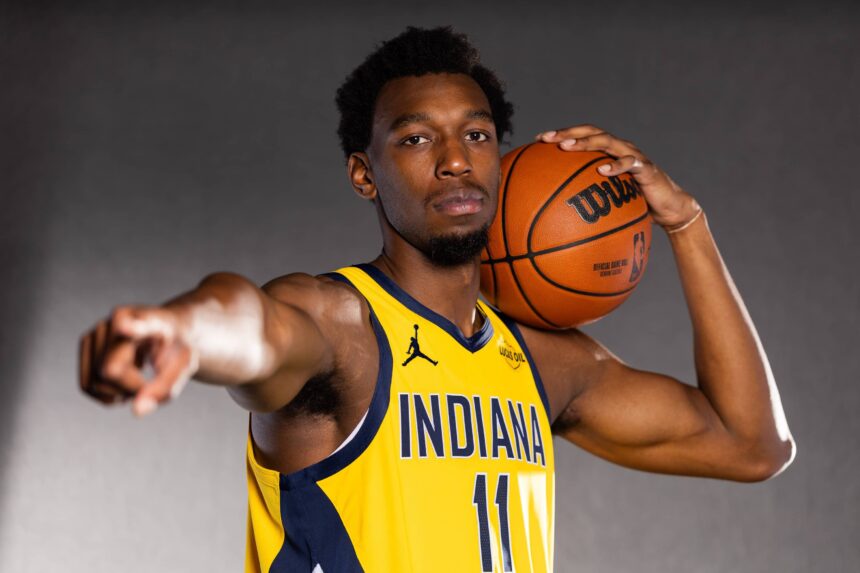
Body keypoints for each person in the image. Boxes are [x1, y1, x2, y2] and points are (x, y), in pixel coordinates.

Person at [78, 26, 795, 573]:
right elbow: (254, 322)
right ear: (364, 174)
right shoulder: (344, 328)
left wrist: (687, 224)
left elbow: (752, 444)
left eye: (475, 135)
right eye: (417, 138)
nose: (455, 159)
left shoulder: (541, 362)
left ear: (500, 160)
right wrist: (182, 330)